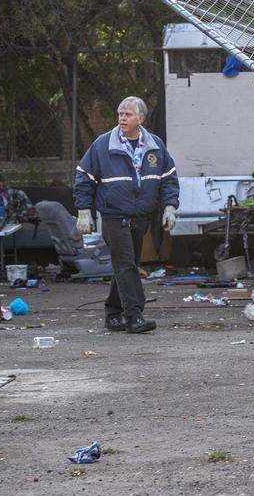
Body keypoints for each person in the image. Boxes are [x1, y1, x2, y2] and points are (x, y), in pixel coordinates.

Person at [74, 96, 179, 334]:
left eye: (128, 114)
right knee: (125, 264)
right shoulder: (103, 145)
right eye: (120, 113)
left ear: (140, 119)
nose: (122, 118)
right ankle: (134, 316)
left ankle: (113, 313)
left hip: (140, 217)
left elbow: (168, 178)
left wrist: (170, 206)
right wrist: (83, 211)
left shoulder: (155, 146)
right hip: (113, 216)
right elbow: (83, 177)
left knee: (127, 265)